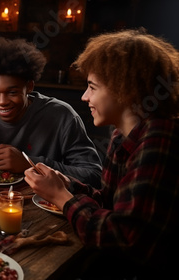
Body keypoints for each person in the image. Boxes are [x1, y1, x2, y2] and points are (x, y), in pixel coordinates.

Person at [24, 29, 179, 278]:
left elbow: (124, 237)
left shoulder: (159, 141)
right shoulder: (123, 134)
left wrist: (61, 197)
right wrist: (68, 185)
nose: (85, 97)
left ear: (124, 89)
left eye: (92, 87)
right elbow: (111, 204)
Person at [0, 37, 102, 188]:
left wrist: (30, 163)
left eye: (12, 92)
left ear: (29, 86)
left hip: (42, 203)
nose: (2, 101)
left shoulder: (61, 116)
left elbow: (93, 175)